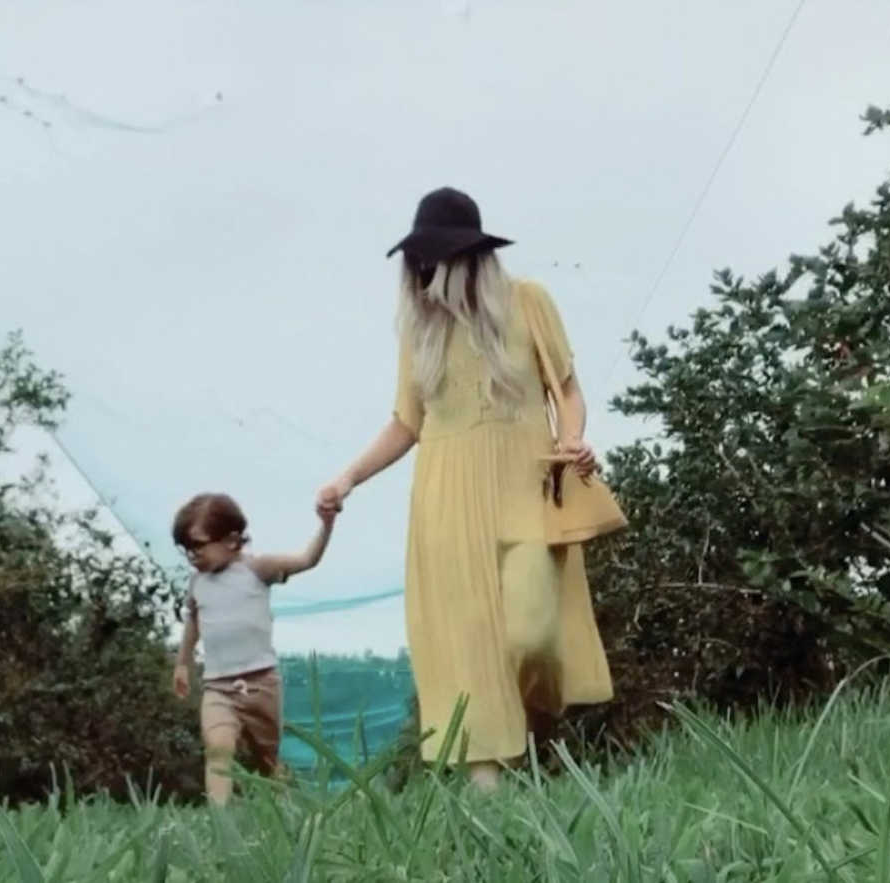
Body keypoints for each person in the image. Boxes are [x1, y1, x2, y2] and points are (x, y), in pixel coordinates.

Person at [316, 187, 612, 791]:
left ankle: (532, 728)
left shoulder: (529, 303)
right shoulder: (418, 333)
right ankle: (491, 802)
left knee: (533, 637)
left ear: (469, 257)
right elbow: (406, 424)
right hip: (446, 506)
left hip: (527, 492)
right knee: (470, 651)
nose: (425, 272)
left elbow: (569, 391)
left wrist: (575, 438)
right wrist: (347, 476)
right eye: (418, 261)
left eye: (435, 258)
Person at [171, 492, 335, 805]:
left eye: (198, 545)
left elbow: (307, 560)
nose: (192, 555)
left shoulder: (257, 569)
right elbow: (194, 620)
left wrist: (326, 526)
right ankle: (220, 823)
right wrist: (182, 663)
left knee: (267, 761)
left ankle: (287, 810)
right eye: (186, 549)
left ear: (231, 540)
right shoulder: (197, 583)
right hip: (217, 685)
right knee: (217, 748)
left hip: (261, 684)